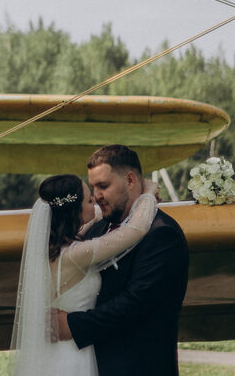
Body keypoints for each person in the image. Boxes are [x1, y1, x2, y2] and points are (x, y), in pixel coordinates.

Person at [56, 144, 190, 376]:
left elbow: (136, 303)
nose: (96, 196)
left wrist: (73, 325)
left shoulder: (162, 233)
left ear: (130, 180)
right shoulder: (98, 229)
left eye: (103, 186)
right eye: (93, 187)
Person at [10, 165, 158, 375]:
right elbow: (136, 229)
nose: (95, 201)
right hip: (72, 356)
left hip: (54, 354)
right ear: (75, 211)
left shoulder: (52, 249)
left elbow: (95, 216)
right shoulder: (76, 254)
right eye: (89, 201)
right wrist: (148, 194)